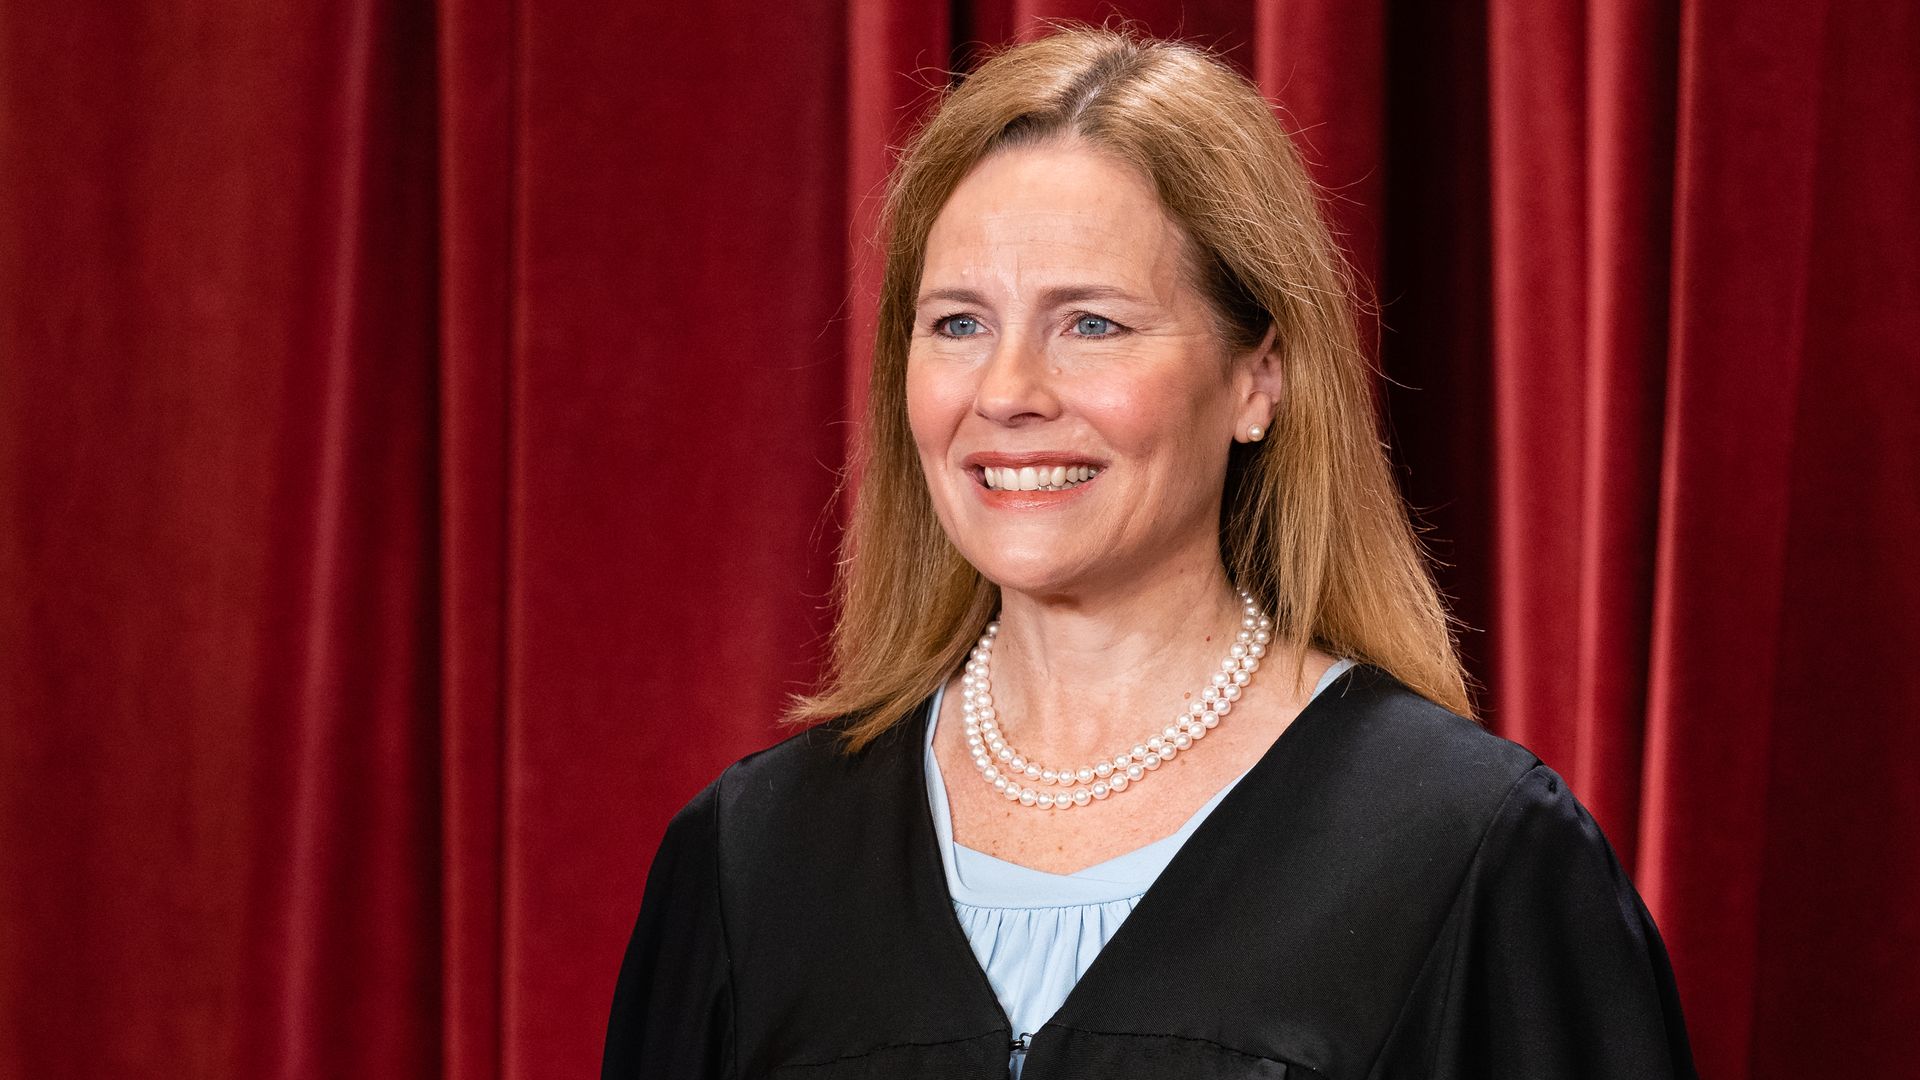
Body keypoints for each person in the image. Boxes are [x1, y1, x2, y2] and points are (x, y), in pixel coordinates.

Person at [602, 24, 1695, 1080]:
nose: (1008, 394)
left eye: (1092, 324)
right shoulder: (757, 863)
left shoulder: (1463, 855)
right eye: (958, 323)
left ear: (1257, 378)